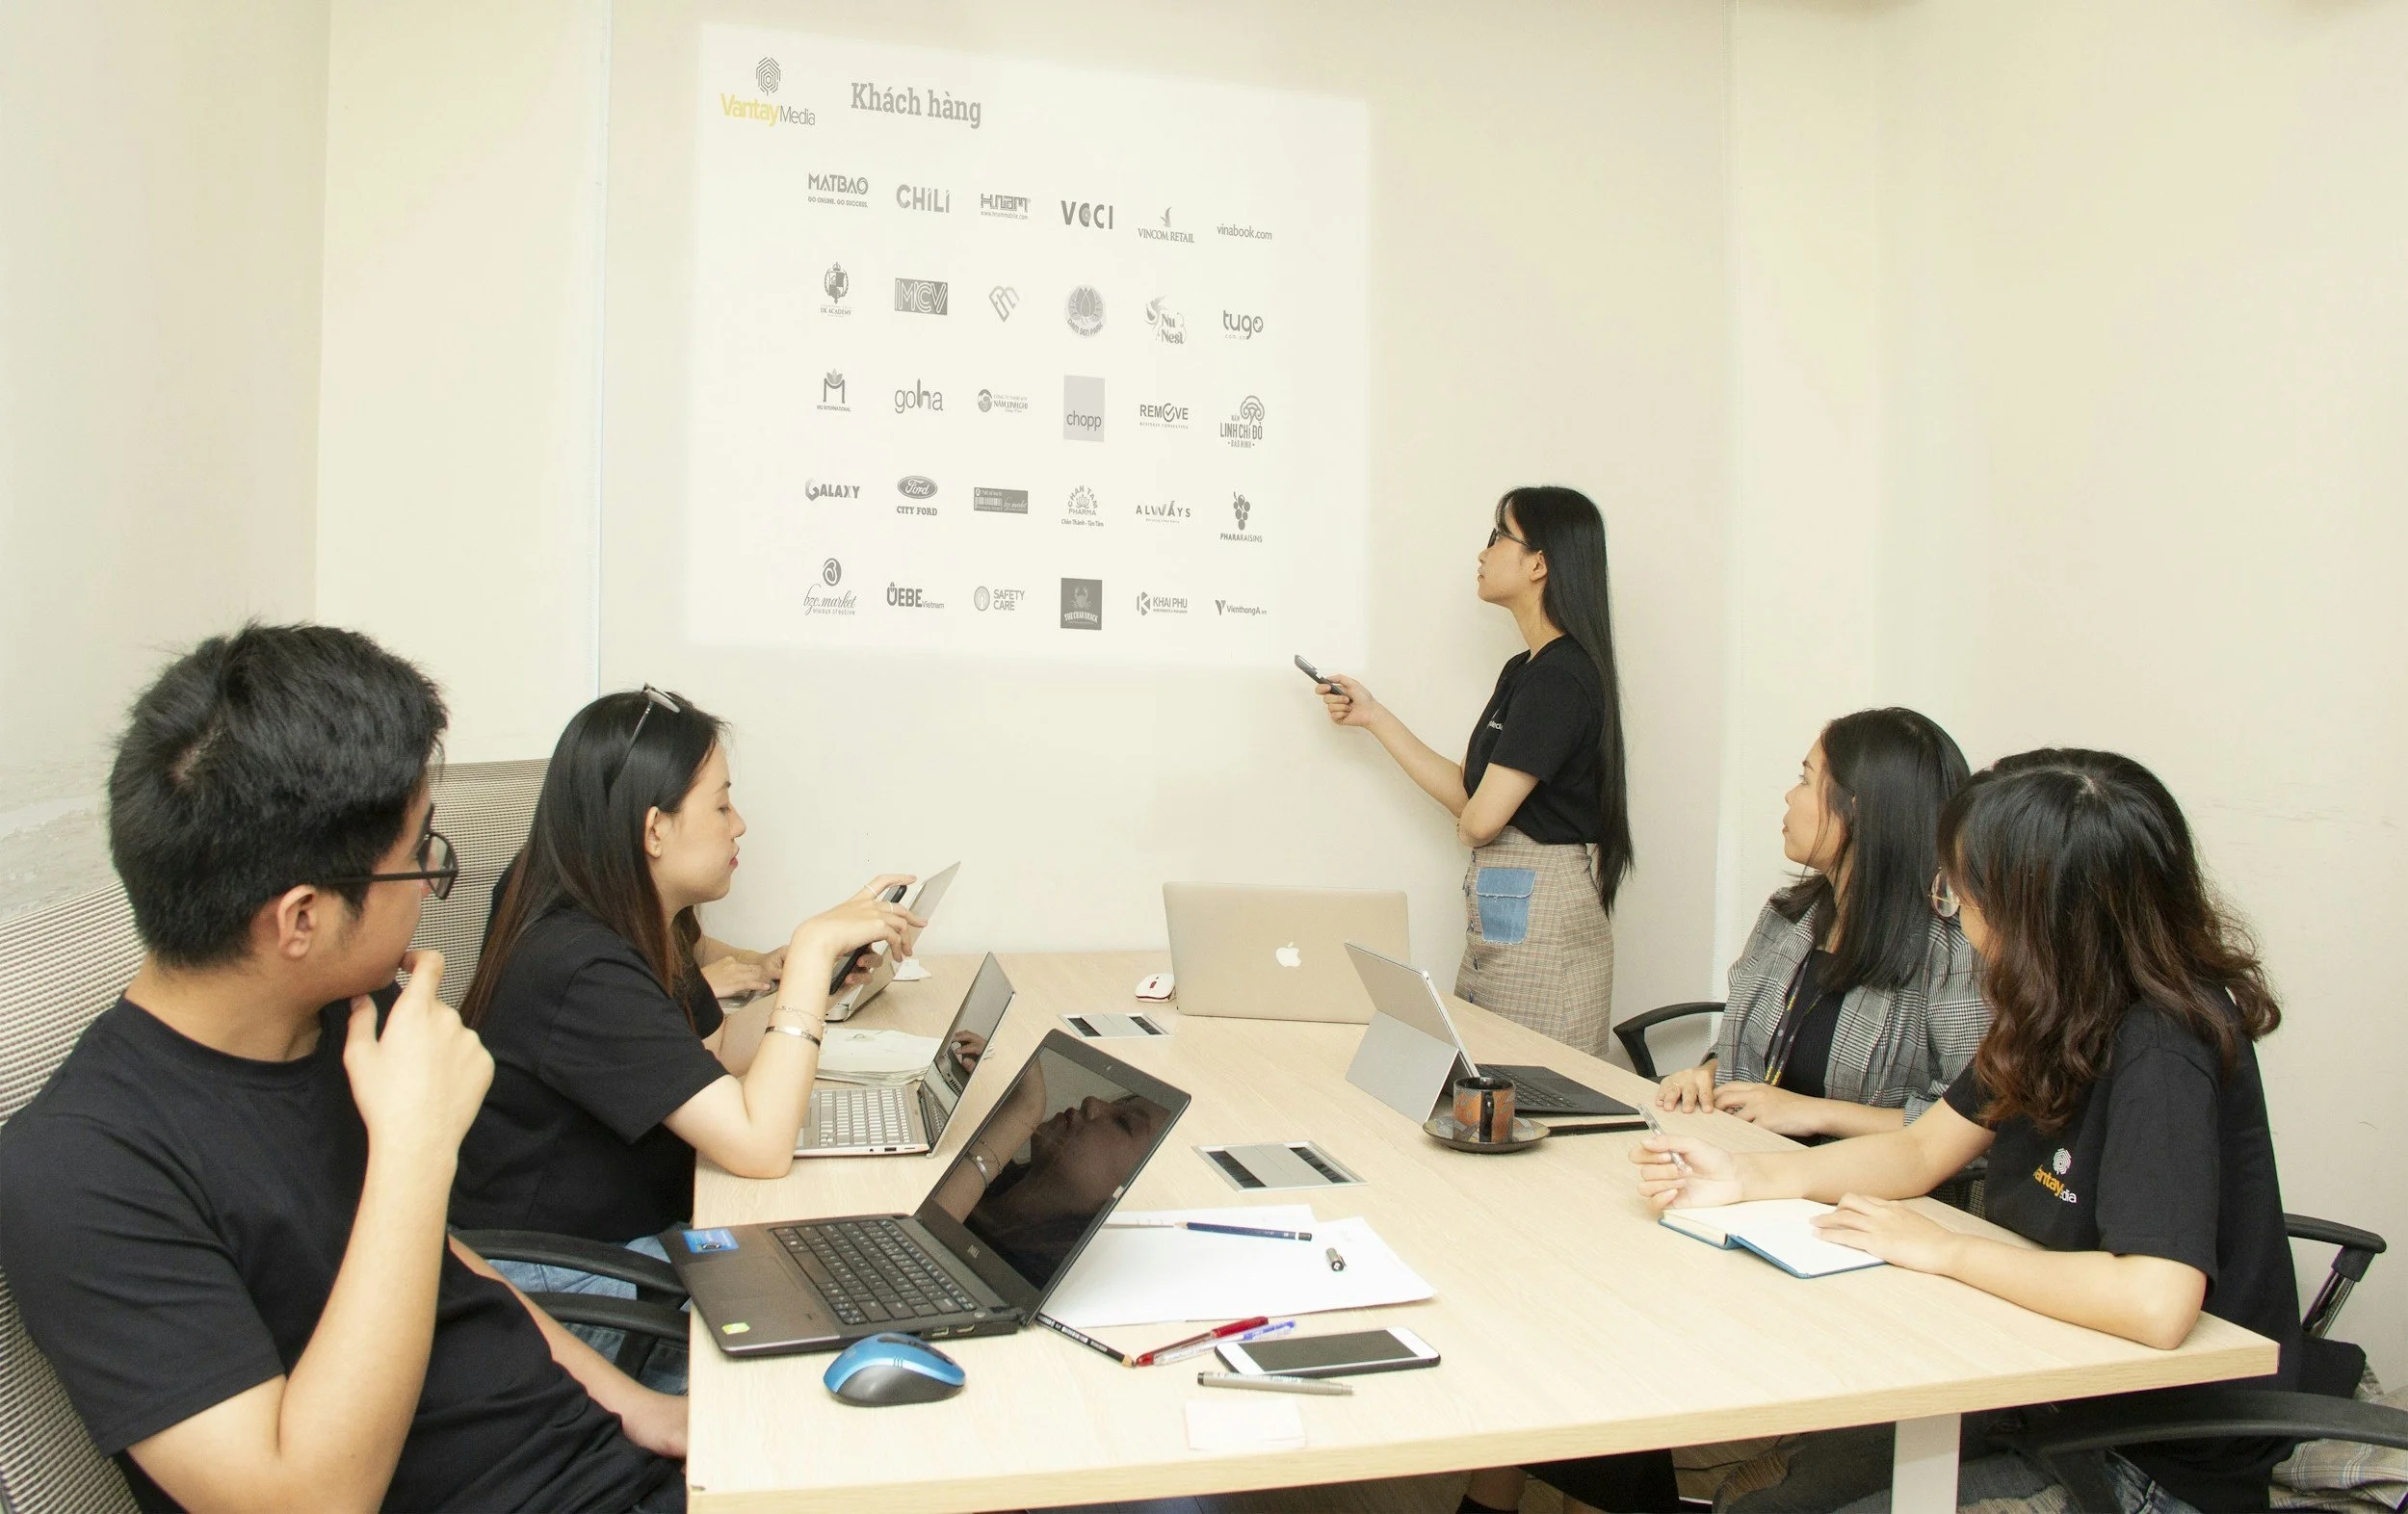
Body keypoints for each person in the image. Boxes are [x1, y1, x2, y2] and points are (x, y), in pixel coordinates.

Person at [0, 624, 684, 1513]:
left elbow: (445, 1265)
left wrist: (639, 1408)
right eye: (416, 861)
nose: (429, 885)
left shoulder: (349, 1025)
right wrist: (416, 1149)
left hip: (609, 1465)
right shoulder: (79, 1171)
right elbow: (304, 1503)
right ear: (301, 920)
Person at [1544, 749, 2298, 1514]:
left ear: (2037, 912)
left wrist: (1945, 1250)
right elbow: (1921, 1148)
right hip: (2026, 1385)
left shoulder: (2162, 1045)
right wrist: (1747, 1179)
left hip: (2141, 1459)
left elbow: (2155, 1301)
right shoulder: (2056, 1004)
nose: (1955, 912)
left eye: (1962, 891)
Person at [449, 687, 921, 1266]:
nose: (739, 825)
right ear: (655, 830)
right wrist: (811, 948)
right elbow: (760, 1146)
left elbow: (716, 1048)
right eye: (722, 806)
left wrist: (818, 979)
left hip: (633, 1229)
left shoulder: (637, 913)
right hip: (569, 1275)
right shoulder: (582, 966)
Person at [1315, 485, 1634, 1056]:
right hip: (1508, 908)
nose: (1482, 555)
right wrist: (1374, 716)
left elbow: (1481, 821)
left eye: (1497, 537)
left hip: (1544, 924)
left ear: (1538, 563)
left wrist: (1473, 826)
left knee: (1525, 1092)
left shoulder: (1560, 678)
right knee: (1483, 1087)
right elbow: (1471, 795)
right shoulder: (1525, 669)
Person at [1658, 709, 1986, 1142]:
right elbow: (1752, 1048)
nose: (1790, 797)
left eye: (1806, 780)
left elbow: (1978, 1122)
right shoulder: (1788, 915)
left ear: (1858, 810)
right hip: (1745, 1160)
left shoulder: (1954, 950)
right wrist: (1706, 1075)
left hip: (1872, 1195)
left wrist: (1815, 1114)